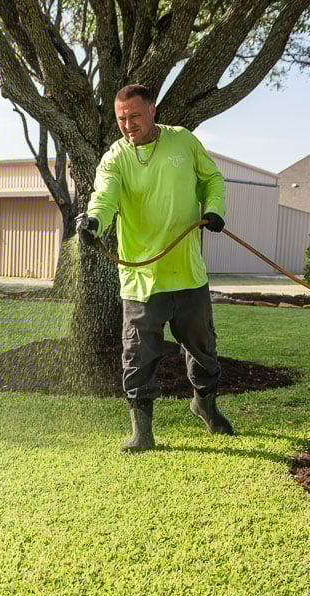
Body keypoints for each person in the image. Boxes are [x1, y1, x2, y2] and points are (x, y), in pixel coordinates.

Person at [77, 84, 232, 453]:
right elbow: (104, 197)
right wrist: (94, 222)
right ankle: (142, 432)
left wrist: (214, 210)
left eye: (134, 115)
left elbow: (212, 178)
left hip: (188, 274)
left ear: (152, 110)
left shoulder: (183, 141)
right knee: (138, 355)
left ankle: (205, 405)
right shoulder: (115, 157)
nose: (128, 124)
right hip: (142, 280)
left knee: (203, 348)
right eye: (121, 119)